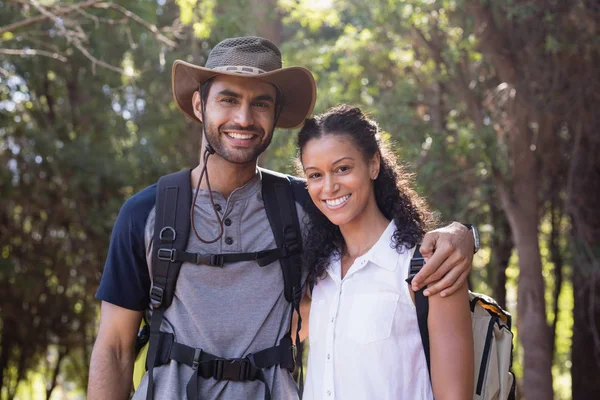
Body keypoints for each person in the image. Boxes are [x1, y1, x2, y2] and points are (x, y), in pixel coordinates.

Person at [87, 36, 475, 400]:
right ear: (199, 105)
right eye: (228, 99)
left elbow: (381, 231)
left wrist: (461, 235)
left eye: (260, 103)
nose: (243, 117)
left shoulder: (305, 205)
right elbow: (115, 349)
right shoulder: (145, 214)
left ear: (275, 115)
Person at [298, 105, 474, 400]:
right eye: (315, 175)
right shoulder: (316, 275)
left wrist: (465, 233)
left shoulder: (429, 268)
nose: (329, 186)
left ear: (373, 164)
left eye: (343, 168)